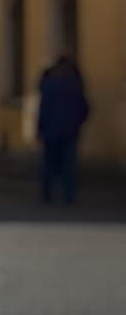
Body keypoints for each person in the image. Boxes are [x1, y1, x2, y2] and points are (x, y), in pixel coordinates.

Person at [36, 52, 91, 205]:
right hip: (70, 131)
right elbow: (84, 108)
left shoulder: (49, 83)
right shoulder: (75, 83)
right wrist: (77, 123)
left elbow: (43, 109)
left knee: (48, 165)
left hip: (50, 131)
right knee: (69, 167)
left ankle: (47, 195)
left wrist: (39, 129)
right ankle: (69, 197)